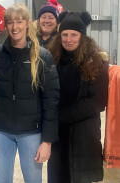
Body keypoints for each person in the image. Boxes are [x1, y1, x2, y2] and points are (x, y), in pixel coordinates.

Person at [0, 3, 60, 183]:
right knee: (2, 180)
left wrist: (47, 141)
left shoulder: (43, 57)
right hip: (0, 132)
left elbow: (51, 100)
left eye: (19, 22)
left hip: (31, 133)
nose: (15, 27)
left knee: (33, 180)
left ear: (28, 23)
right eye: (10, 22)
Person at [47, 11, 109, 183]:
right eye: (64, 34)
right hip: (58, 134)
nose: (68, 39)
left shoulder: (96, 62)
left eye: (74, 34)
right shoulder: (52, 60)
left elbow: (97, 101)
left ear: (83, 37)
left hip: (83, 134)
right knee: (58, 176)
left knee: (79, 178)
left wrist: (62, 116)